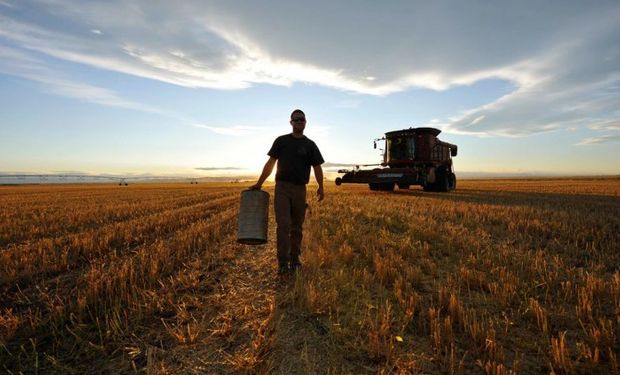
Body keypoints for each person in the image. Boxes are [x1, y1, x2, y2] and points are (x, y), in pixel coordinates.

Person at [250, 109, 325, 275]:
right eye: (296, 119)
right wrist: (260, 183)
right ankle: (282, 262)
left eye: (302, 119)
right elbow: (270, 163)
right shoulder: (281, 141)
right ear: (290, 122)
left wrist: (321, 186)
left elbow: (317, 167)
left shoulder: (310, 145)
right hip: (282, 188)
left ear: (306, 122)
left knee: (297, 227)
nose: (299, 122)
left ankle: (295, 260)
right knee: (283, 225)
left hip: (300, 190)